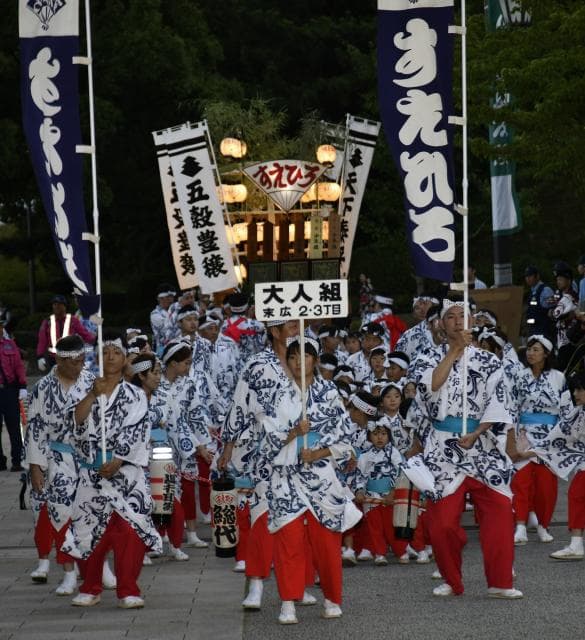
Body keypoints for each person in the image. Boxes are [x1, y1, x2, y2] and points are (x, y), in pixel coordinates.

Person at [413, 299, 522, 598]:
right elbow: (430, 389)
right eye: (451, 316)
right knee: (442, 524)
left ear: (473, 322)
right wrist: (455, 351)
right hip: (443, 448)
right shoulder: (425, 357)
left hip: (482, 444)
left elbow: (500, 403)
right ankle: (452, 579)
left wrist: (478, 432)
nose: (458, 320)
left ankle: (501, 582)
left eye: (464, 315)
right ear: (441, 324)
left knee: (500, 512)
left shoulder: (490, 361)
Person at [258, 336, 360, 624]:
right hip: (286, 476)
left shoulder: (329, 392)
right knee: (288, 540)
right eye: (292, 357)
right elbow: (266, 439)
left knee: (326, 541)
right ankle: (288, 601)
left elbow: (346, 437)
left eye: (304, 356)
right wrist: (294, 432)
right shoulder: (277, 393)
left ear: (314, 360)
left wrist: (318, 453)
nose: (297, 362)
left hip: (321, 475)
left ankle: (331, 597)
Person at [62, 332, 162, 608]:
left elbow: (137, 429)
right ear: (98, 358)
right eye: (105, 352)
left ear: (125, 360)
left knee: (129, 530)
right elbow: (75, 423)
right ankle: (90, 586)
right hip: (91, 473)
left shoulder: (134, 394)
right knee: (88, 529)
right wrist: (93, 395)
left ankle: (128, 589)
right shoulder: (83, 389)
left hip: (125, 474)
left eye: (116, 352)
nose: (110, 356)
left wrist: (119, 459)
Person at [218, 319, 300, 611]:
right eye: (291, 327)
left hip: (304, 451)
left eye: (298, 326)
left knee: (300, 520)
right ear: (275, 331)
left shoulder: (307, 357)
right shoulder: (256, 364)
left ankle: (301, 583)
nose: (297, 331)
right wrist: (229, 445)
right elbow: (239, 405)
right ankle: (256, 582)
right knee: (262, 516)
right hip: (266, 450)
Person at [24, 335, 98, 594]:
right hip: (57, 458)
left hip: (89, 458)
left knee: (92, 514)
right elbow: (34, 429)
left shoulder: (92, 382)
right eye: (75, 362)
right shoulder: (43, 387)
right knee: (60, 515)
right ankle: (68, 572)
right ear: (60, 361)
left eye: (82, 361)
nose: (80, 366)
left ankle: (98, 568)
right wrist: (35, 467)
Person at [508, 335, 569, 545]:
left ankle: (543, 525)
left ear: (546, 354)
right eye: (529, 349)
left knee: (546, 486)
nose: (530, 353)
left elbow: (565, 410)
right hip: (524, 434)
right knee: (521, 483)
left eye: (536, 349)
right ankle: (520, 526)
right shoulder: (519, 376)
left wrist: (560, 438)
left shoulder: (559, 377)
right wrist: (512, 438)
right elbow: (512, 407)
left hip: (550, 437)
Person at [160, 339, 212, 548]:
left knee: (188, 489)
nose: (189, 367)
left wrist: (202, 446)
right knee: (164, 489)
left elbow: (195, 416)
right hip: (161, 444)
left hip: (186, 444)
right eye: (186, 363)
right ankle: (163, 533)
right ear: (173, 363)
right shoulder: (155, 383)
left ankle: (191, 533)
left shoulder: (188, 384)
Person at [36, 295, 95, 373]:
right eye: (55, 304)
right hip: (54, 357)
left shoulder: (87, 314)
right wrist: (40, 356)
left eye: (59, 304)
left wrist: (98, 341)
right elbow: (42, 341)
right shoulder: (48, 322)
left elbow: (86, 333)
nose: (57, 307)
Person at [0, 319, 27, 471]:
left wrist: (22, 386)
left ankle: (17, 460)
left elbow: (18, 366)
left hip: (9, 391)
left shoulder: (10, 345)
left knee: (14, 427)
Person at [523, 266, 555, 338]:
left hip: (545, 331)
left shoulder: (546, 290)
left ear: (537, 276)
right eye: (526, 276)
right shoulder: (532, 292)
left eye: (530, 276)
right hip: (533, 330)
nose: (528, 279)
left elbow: (553, 309)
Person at [150, 283, 178, 355]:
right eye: (167, 297)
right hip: (163, 350)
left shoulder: (176, 310)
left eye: (172, 297)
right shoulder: (155, 314)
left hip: (179, 347)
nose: (170, 300)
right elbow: (167, 330)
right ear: (159, 298)